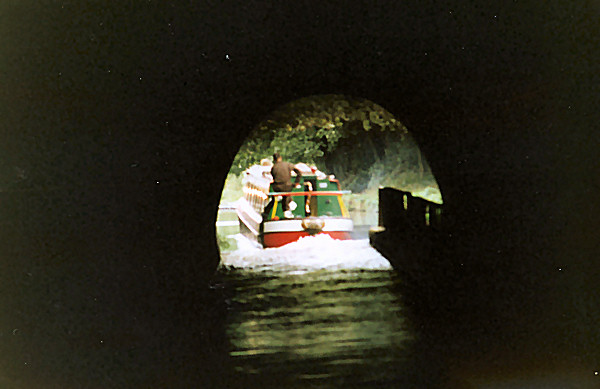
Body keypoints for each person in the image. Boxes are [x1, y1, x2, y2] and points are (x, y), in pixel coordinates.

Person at [270, 152, 301, 218]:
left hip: (277, 187)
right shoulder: (287, 165)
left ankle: (287, 207)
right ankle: (289, 205)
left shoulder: (273, 167)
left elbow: (273, 176)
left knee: (284, 196)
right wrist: (296, 182)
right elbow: (299, 172)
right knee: (286, 195)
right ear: (280, 158)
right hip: (288, 186)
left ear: (274, 159)